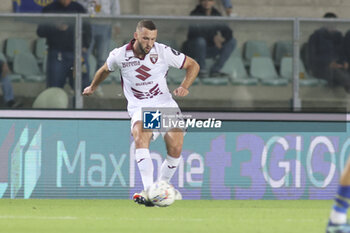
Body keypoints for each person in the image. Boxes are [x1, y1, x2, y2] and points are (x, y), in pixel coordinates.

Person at [82, 20, 200, 206]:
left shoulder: (162, 51)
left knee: (175, 147)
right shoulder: (120, 55)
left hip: (164, 104)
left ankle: (161, 187)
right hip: (141, 106)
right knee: (141, 136)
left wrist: (185, 86)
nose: (149, 43)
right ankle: (150, 190)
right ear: (136, 36)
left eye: (153, 39)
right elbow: (105, 70)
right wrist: (93, 86)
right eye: (146, 38)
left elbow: (193, 65)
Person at [36, 0, 91, 90]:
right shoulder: (49, 9)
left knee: (80, 87)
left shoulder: (78, 8)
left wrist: (85, 46)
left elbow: (87, 30)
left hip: (76, 54)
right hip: (57, 54)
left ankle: (77, 104)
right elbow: (40, 31)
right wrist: (55, 26)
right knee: (54, 87)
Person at [182, 0, 236, 78]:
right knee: (200, 41)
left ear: (213, 2)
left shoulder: (216, 14)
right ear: (200, 2)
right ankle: (201, 70)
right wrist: (213, 37)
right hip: (195, 49)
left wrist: (223, 39)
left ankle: (216, 70)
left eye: (210, 0)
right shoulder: (194, 13)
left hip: (209, 48)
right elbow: (194, 34)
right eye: (204, 0)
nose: (207, 2)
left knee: (232, 42)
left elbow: (227, 31)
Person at [308, 12, 350, 93]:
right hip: (321, 68)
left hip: (339, 67)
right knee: (337, 73)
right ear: (324, 23)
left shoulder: (339, 37)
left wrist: (345, 61)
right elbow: (312, 57)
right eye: (329, 23)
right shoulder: (315, 37)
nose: (332, 25)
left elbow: (343, 53)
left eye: (334, 23)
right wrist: (329, 63)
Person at [77, 0, 120, 68]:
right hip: (89, 24)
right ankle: (86, 78)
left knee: (102, 58)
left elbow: (115, 7)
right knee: (85, 55)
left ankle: (98, 78)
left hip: (105, 24)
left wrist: (117, 24)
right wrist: (89, 4)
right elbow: (78, 3)